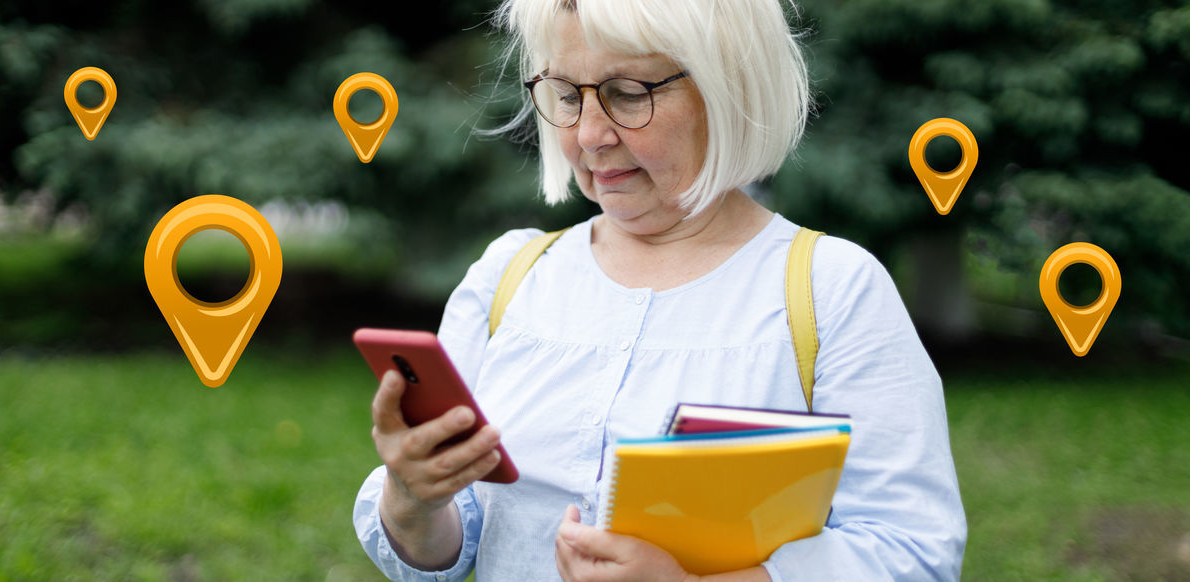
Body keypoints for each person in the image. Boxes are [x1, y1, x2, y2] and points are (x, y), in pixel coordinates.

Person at [353, 0, 967, 580]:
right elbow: (449, 546)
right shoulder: (510, 276)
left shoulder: (831, 290)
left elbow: (911, 552)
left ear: (729, 88)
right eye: (566, 95)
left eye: (627, 93)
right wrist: (412, 498)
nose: (590, 134)